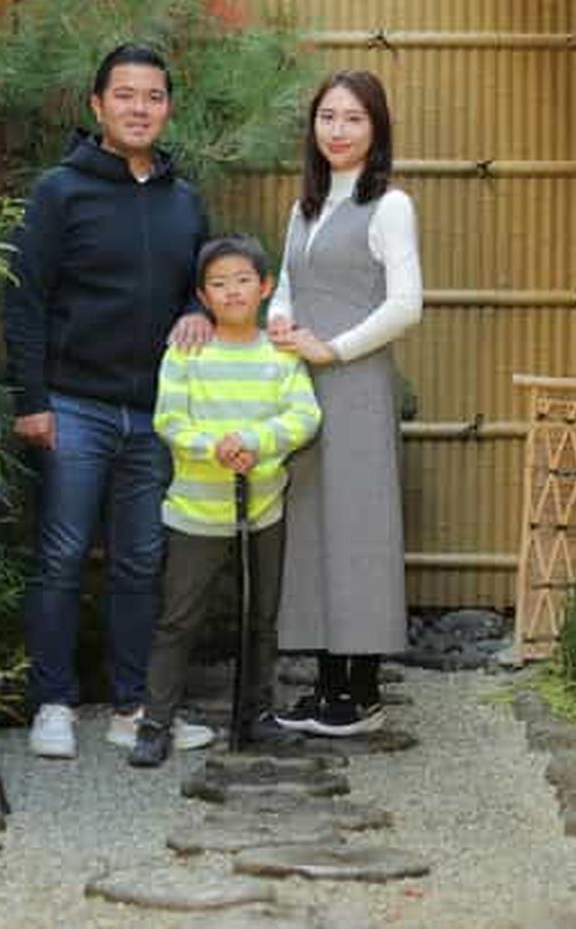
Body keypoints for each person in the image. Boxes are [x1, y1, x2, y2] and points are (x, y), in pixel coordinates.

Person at [4, 42, 214, 760]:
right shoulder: (60, 191)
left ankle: (133, 706)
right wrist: (32, 400)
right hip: (74, 406)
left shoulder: (185, 199)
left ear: (168, 109)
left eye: (153, 96)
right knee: (62, 555)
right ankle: (53, 703)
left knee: (140, 561)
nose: (139, 108)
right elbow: (25, 298)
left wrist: (199, 309)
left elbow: (205, 283)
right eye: (124, 95)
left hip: (157, 413)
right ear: (97, 105)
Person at [128, 235, 322, 767]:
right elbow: (170, 420)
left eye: (242, 280)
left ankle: (256, 714)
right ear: (202, 295)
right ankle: (155, 722)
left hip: (263, 509)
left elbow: (305, 416)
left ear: (265, 287)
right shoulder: (187, 352)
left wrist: (255, 441)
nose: (232, 291)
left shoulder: (280, 355)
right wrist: (214, 447)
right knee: (178, 618)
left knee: (260, 616)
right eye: (218, 283)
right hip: (195, 511)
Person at [268, 70, 422, 738]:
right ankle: (329, 684)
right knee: (315, 531)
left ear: (376, 129)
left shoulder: (390, 206)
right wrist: (278, 323)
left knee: (360, 531)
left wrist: (333, 348)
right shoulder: (303, 209)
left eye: (353, 118)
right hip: (303, 387)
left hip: (356, 385)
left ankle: (363, 692)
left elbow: (406, 305)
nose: (338, 130)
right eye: (327, 116)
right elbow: (285, 285)